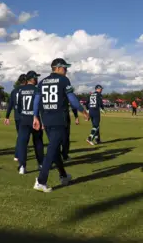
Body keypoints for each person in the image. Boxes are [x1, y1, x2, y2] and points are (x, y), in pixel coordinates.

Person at [33, 58, 89, 192]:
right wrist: (83, 111)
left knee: (55, 149)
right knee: (52, 149)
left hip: (46, 118)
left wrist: (35, 116)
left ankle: (63, 175)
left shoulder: (42, 82)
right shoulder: (64, 80)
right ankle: (41, 180)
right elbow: (72, 100)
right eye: (64, 68)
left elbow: (36, 101)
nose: (66, 70)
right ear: (57, 68)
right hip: (59, 118)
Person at [14, 70, 45, 174]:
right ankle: (41, 164)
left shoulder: (20, 91)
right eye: (36, 78)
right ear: (32, 79)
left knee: (23, 143)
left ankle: (22, 166)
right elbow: (41, 107)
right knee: (38, 142)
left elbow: (18, 107)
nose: (37, 79)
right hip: (35, 118)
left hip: (24, 119)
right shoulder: (37, 90)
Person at [5, 74, 27, 161]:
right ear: (25, 81)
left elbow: (10, 105)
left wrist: (7, 117)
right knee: (23, 137)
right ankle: (19, 155)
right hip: (25, 116)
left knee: (20, 135)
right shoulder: (27, 90)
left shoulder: (14, 91)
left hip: (17, 116)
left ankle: (17, 155)